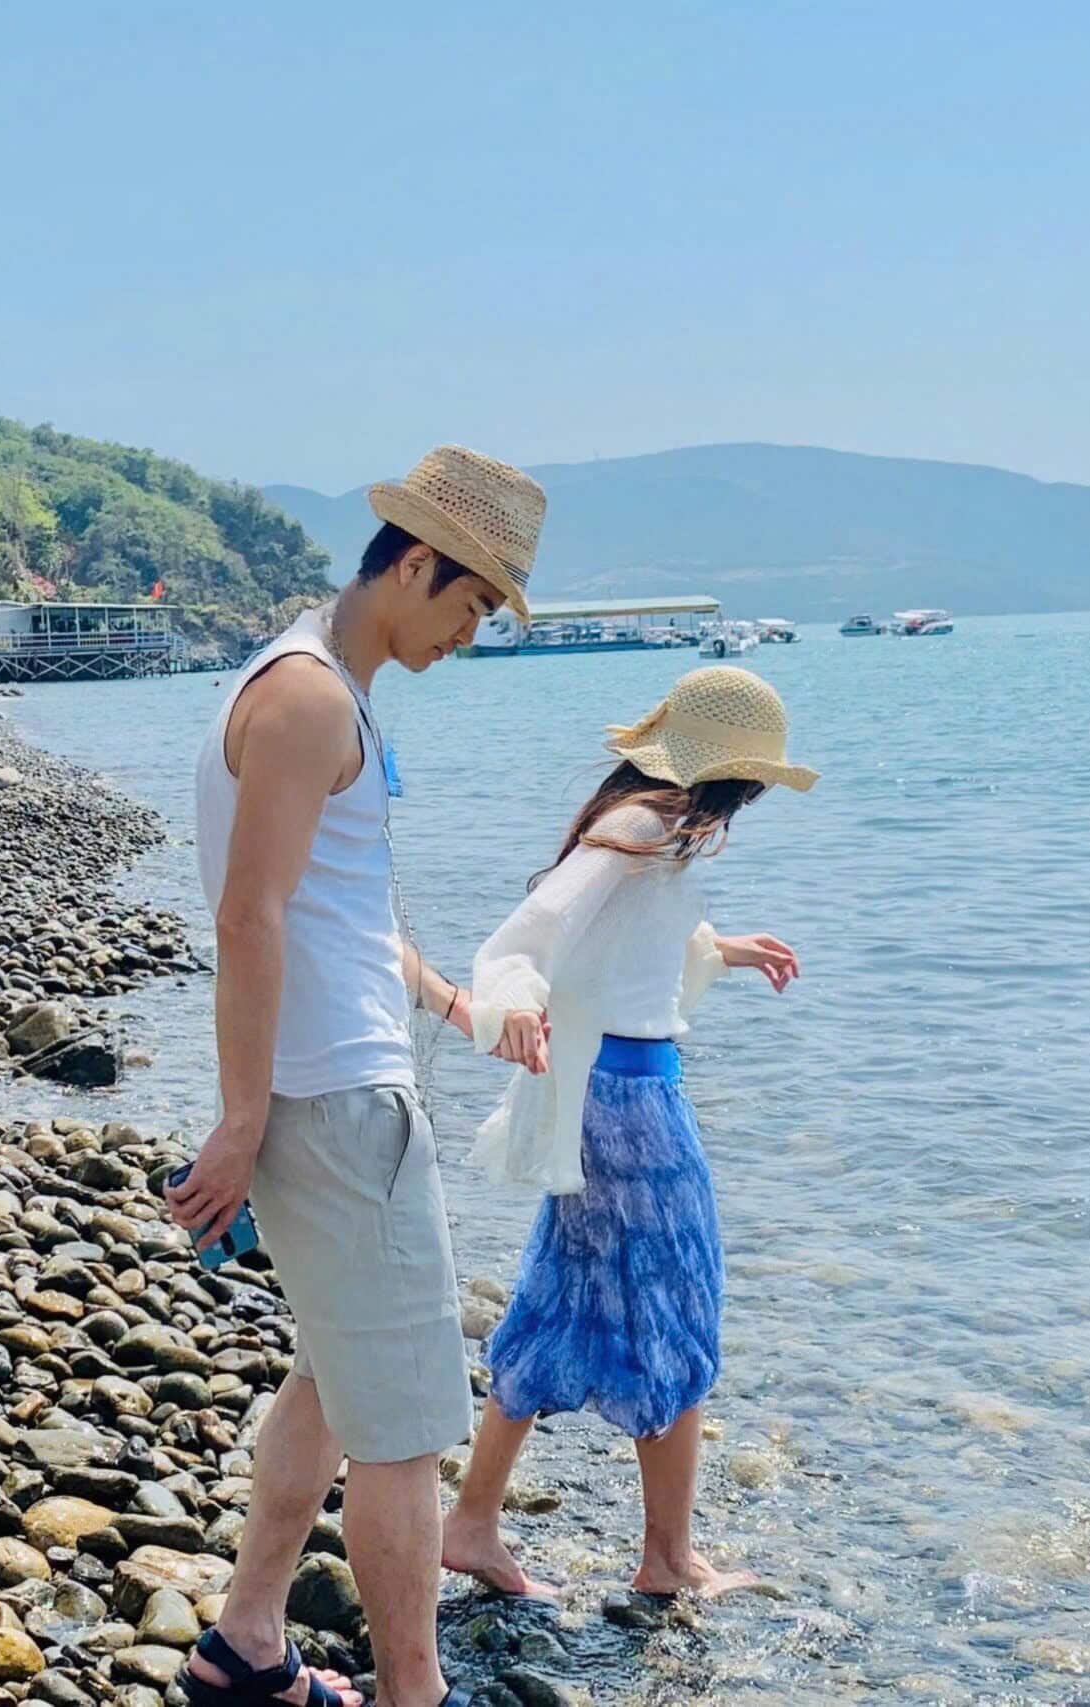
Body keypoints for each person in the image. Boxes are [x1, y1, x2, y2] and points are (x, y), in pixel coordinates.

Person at [170, 446, 547, 1707]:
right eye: (471, 603)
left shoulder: (318, 683)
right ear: (417, 563)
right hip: (336, 1100)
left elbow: (336, 912)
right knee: (409, 1427)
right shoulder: (310, 698)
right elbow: (250, 916)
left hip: (327, 1084)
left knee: (337, 1379)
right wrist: (240, 1119)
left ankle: (246, 1643)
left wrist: (455, 1004)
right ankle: (412, 1692)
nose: (470, 633)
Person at [442, 665, 816, 1603]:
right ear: (738, 770)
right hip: (632, 1107)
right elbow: (528, 934)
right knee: (680, 1304)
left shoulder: (667, 828)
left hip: (609, 1094)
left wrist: (721, 948)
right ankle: (668, 1558)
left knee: (559, 1298)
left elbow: (627, 945)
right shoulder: (649, 824)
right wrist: (513, 1001)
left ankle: (472, 1523)